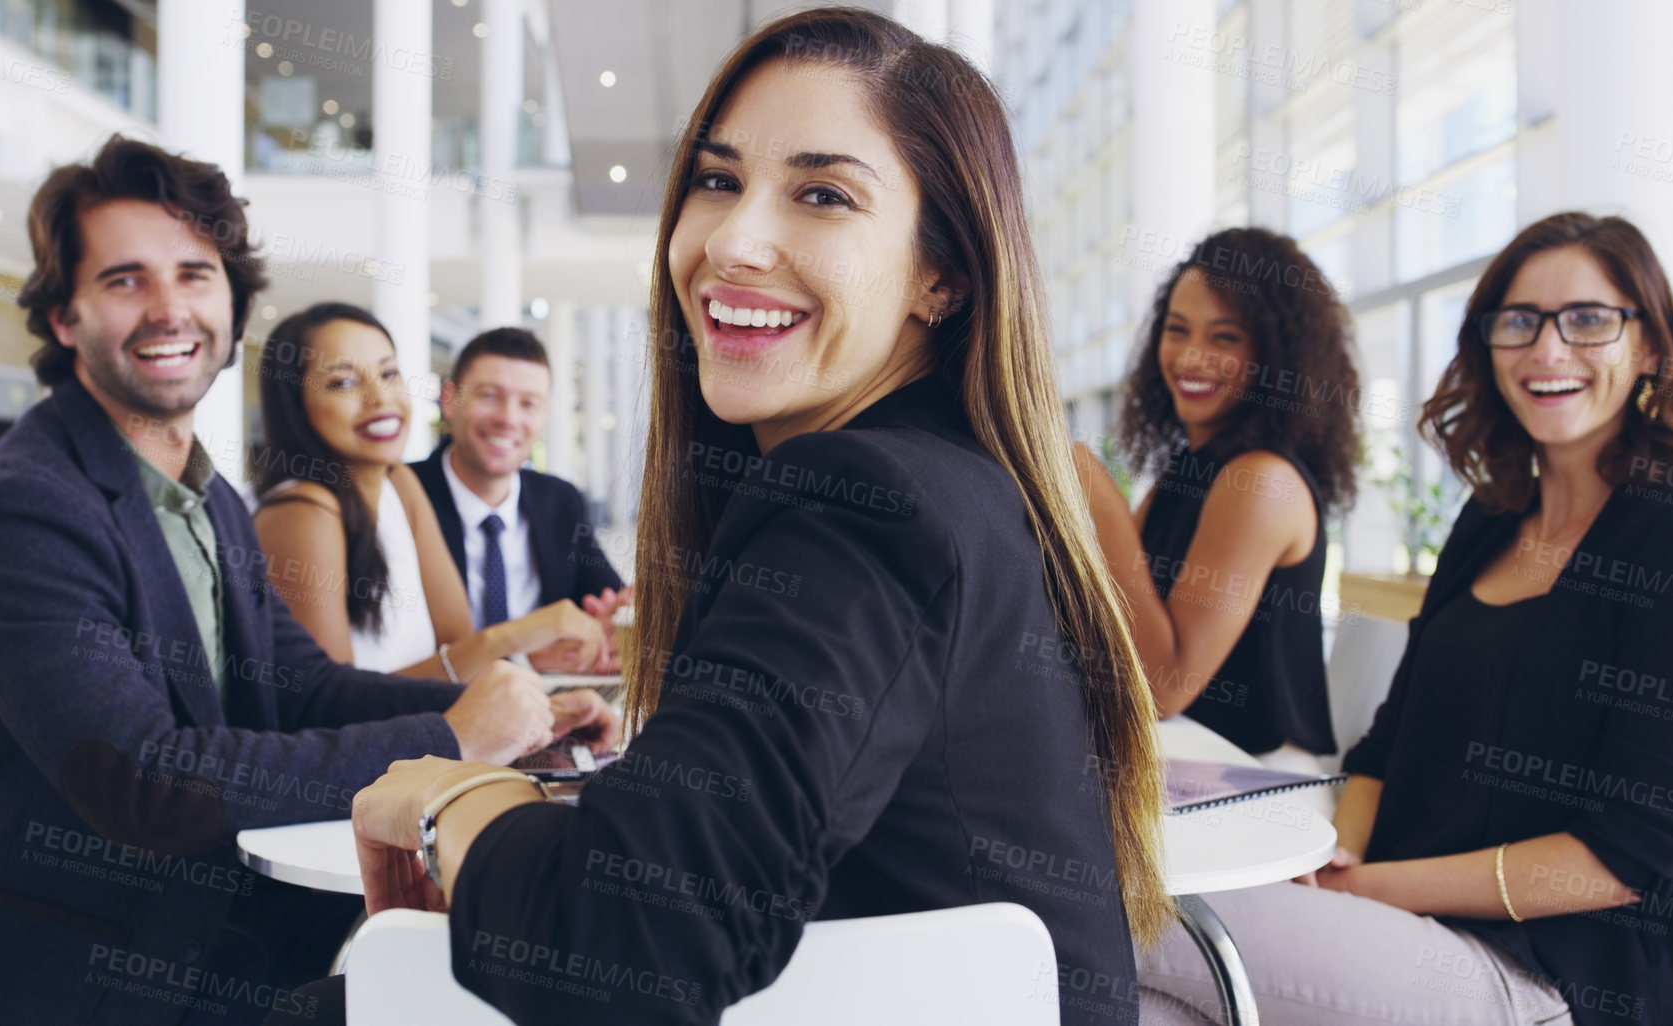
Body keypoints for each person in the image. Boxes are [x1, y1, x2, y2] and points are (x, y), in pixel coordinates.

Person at [281, 8, 1169, 1025]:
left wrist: (454, 801)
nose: (734, 241)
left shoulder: (861, 498)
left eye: (823, 195)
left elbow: (630, 940)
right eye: (717, 180)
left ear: (943, 274)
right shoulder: (955, 480)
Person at [0, 136, 611, 1026]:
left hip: (196, 933)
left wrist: (519, 721)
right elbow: (144, 782)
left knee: (487, 969)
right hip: (56, 972)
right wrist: (449, 737)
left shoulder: (202, 497)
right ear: (65, 319)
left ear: (233, 304)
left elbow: (304, 688)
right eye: (124, 280)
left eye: (194, 274)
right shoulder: (21, 512)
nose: (168, 309)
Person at [1136, 212, 1673, 1026]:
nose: (1546, 350)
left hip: (1547, 972)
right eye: (1518, 322)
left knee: (1126, 909)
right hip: (1395, 907)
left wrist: (1369, 886)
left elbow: (1622, 860)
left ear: (1649, 348)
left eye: (1587, 320)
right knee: (1139, 999)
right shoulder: (1491, 520)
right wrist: (1344, 851)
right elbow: (1387, 741)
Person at [1074, 228, 1360, 777]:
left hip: (1259, 780)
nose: (1190, 357)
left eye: (1224, 338)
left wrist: (1100, 502)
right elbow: (1121, 631)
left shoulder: (1262, 482)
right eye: (1176, 331)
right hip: (1186, 761)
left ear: (1274, 355)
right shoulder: (1185, 472)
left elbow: (1163, 688)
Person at [251, 303, 611, 680]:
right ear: (296, 404)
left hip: (439, 726)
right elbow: (333, 704)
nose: (381, 398)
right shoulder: (303, 511)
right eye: (343, 382)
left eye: (388, 373)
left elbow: (458, 649)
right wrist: (512, 638)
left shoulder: (399, 483)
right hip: (396, 737)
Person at [410, 328, 627, 664]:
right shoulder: (403, 495)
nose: (508, 419)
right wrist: (525, 657)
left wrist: (619, 613)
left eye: (528, 403)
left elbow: (606, 600)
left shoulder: (560, 500)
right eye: (489, 396)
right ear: (450, 399)